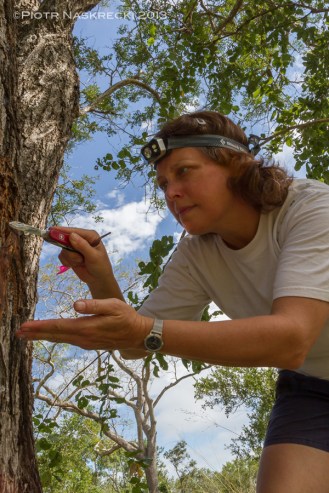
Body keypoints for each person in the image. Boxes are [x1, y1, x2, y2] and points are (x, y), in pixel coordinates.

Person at [17, 111, 329, 492]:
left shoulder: (309, 208)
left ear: (239, 163)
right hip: (313, 388)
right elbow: (136, 344)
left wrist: (146, 331)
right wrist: (101, 277)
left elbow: (291, 339)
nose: (171, 193)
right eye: (163, 184)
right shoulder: (196, 255)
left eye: (184, 172)